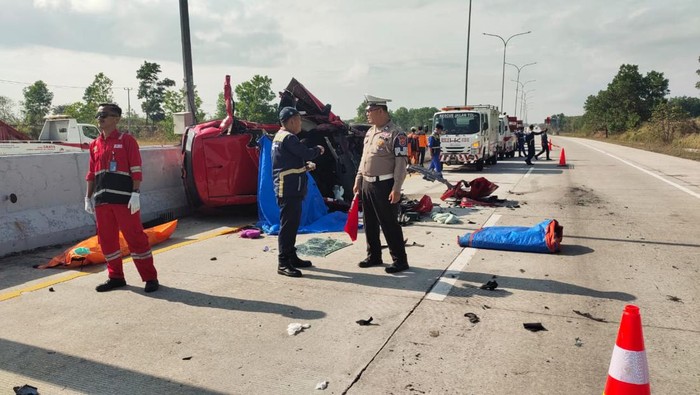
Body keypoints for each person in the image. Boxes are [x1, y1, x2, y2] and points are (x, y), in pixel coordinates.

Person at [84, 103, 159, 293]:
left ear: (116, 119)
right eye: (98, 115)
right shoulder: (94, 145)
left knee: (135, 238)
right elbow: (91, 174)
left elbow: (136, 168)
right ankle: (116, 277)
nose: (100, 118)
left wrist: (136, 193)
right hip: (102, 202)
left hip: (125, 200)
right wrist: (87, 197)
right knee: (107, 241)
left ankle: (150, 277)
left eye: (104, 115)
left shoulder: (127, 141)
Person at [352, 95, 409, 274]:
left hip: (385, 184)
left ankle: (400, 260)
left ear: (381, 111)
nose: (366, 114)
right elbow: (364, 158)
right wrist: (358, 180)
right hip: (367, 183)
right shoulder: (370, 132)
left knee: (389, 223)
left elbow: (401, 163)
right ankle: (374, 255)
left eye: (369, 111)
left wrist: (396, 188)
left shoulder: (396, 134)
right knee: (369, 222)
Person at [272, 107, 325, 277]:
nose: (301, 123)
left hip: (290, 186)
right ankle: (283, 262)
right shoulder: (288, 138)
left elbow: (288, 161)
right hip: (288, 188)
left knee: (292, 224)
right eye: (299, 120)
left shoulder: (280, 137)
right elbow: (305, 152)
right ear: (292, 120)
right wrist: (318, 150)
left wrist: (304, 167)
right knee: (288, 226)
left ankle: (291, 256)